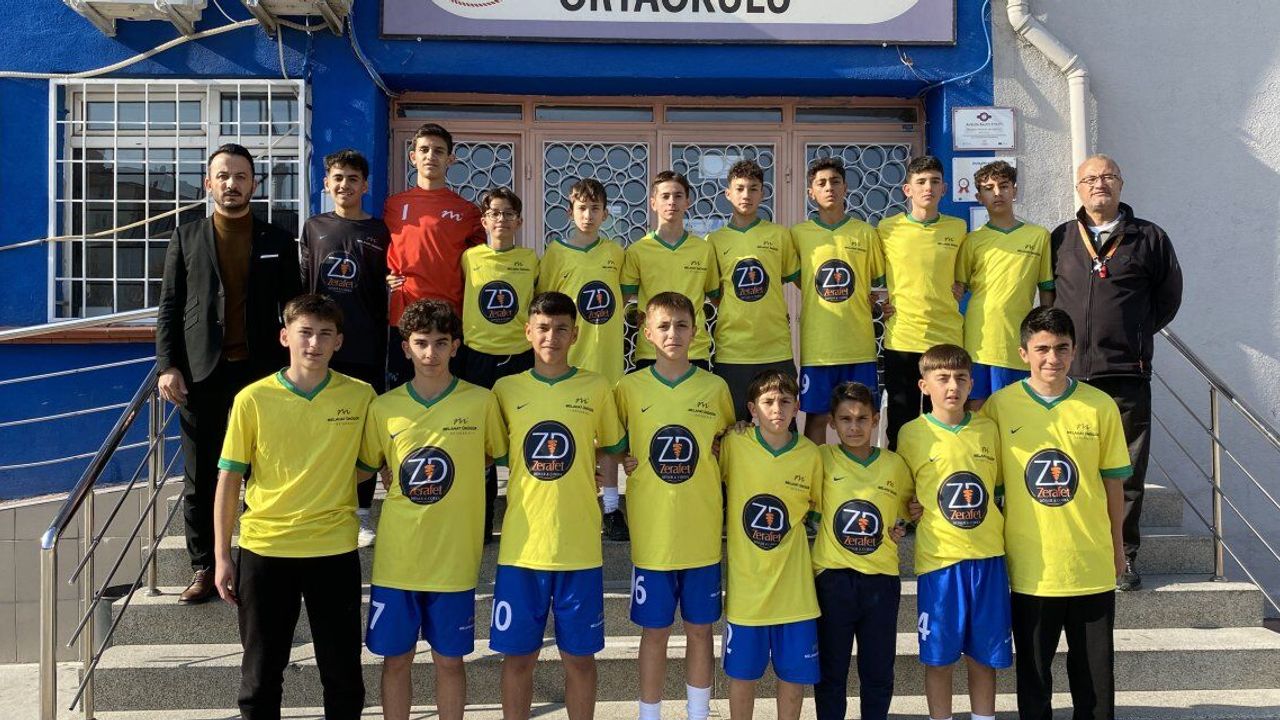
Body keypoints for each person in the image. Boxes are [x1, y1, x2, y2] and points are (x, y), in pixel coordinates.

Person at [211, 294, 375, 720]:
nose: (314, 343)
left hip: (333, 548)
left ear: (339, 341)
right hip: (266, 549)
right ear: (285, 337)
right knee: (261, 676)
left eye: (324, 334)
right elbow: (229, 479)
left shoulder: (361, 396)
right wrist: (222, 556)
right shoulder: (252, 398)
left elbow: (368, 464)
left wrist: (327, 480)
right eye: (305, 333)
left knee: (343, 675)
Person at [155, 142, 302, 604]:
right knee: (201, 474)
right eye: (223, 176)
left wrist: (298, 365)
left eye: (240, 176)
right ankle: (204, 567)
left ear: (253, 184)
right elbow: (170, 306)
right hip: (202, 374)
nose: (231, 184)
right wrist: (167, 365)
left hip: (262, 375)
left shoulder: (278, 240)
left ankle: (261, 561)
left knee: (265, 470)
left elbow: (294, 308)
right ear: (209, 183)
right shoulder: (186, 237)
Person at [359, 299, 506, 720]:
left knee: (450, 661)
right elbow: (366, 466)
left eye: (441, 343)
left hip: (453, 558)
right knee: (396, 660)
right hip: (398, 558)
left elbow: (494, 454)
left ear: (456, 346)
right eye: (421, 343)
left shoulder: (480, 402)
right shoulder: (384, 407)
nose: (430, 353)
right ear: (405, 347)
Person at [982, 307, 1131, 720]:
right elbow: (983, 482)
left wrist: (1118, 547)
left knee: (1095, 682)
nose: (1053, 358)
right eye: (1042, 349)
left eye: (1062, 348)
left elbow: (1113, 484)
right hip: (1032, 568)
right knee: (1034, 680)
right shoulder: (999, 407)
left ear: (1074, 350)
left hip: (1089, 564)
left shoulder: (1099, 405)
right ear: (1023, 353)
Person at [489, 291, 627, 720]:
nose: (552, 337)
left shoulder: (596, 387)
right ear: (528, 332)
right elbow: (493, 452)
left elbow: (612, 446)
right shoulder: (505, 390)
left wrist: (597, 474)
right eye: (543, 328)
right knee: (518, 659)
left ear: (575, 334)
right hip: (522, 549)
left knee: (580, 661)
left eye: (561, 329)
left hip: (578, 547)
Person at [1050, 153, 1182, 591]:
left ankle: (1123, 557)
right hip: (1069, 378)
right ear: (1078, 188)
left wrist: (1132, 333)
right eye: (1090, 178)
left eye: (1108, 176)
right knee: (1069, 469)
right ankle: (1074, 551)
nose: (1099, 184)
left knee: (1125, 472)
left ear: (1121, 184)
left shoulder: (1149, 238)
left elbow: (1167, 299)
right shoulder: (1061, 238)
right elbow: (1049, 298)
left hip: (1126, 373)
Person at [615, 292, 735, 720]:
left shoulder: (714, 388)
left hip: (701, 531)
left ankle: (698, 713)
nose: (673, 334)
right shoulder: (628, 388)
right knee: (655, 632)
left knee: (701, 631)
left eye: (681, 325)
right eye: (663, 326)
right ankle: (649, 714)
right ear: (646, 333)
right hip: (654, 534)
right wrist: (623, 463)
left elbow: (726, 444)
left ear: (695, 331)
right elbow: (611, 443)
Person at [896, 344, 1010, 720]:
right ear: (923, 385)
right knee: (939, 658)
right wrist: (909, 511)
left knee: (984, 656)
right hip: (939, 563)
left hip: (987, 558)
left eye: (961, 378)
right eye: (942, 378)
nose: (952, 386)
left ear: (971, 384)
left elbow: (999, 487)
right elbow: (903, 495)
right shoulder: (911, 434)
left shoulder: (989, 429)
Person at [720, 370, 823, 720]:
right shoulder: (734, 445)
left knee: (793, 681)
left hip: (795, 594)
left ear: (797, 407)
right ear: (752, 409)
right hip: (747, 592)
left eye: (784, 401)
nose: (776, 409)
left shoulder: (811, 454)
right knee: (742, 678)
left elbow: (818, 510)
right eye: (767, 402)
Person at [300, 148, 390, 545]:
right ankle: (318, 505)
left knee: (362, 433)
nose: (345, 185)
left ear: (365, 185)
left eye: (353, 178)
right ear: (326, 183)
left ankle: (362, 513)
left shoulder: (381, 232)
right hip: (320, 348)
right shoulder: (314, 227)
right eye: (338, 177)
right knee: (319, 430)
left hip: (366, 345)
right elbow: (303, 287)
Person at [810, 381, 912, 720]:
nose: (854, 427)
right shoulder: (820, 459)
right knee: (831, 672)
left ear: (875, 420)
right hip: (833, 580)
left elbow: (908, 509)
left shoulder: (895, 465)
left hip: (881, 581)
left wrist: (902, 524)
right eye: (845, 419)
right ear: (832, 423)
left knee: (878, 672)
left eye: (861, 418)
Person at [537, 177, 629, 540]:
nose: (588, 215)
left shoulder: (616, 253)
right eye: (581, 208)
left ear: (605, 214)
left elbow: (626, 298)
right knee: (571, 434)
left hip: (607, 358)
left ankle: (611, 507)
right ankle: (573, 503)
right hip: (569, 360)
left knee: (608, 437)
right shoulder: (556, 253)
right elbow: (544, 307)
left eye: (595, 209)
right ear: (569, 212)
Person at [458, 187, 538, 543]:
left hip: (519, 356)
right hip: (477, 357)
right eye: (494, 213)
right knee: (481, 441)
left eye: (508, 213)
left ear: (518, 221)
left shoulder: (531, 260)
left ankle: (524, 513)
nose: (501, 219)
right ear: (484, 220)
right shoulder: (469, 258)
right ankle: (483, 515)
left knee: (520, 436)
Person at [791, 158, 885, 445]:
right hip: (819, 348)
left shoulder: (865, 232)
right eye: (821, 183)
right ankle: (815, 474)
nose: (829, 188)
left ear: (845, 187)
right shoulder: (798, 235)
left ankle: (856, 473)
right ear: (811, 192)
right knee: (817, 418)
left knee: (860, 417)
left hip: (858, 347)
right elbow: (801, 280)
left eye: (835, 182)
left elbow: (878, 283)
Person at [383, 123, 486, 387]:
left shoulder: (467, 211)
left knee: (450, 395)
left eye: (439, 151)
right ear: (412, 156)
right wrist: (385, 277)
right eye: (424, 150)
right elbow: (379, 251)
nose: (431, 156)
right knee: (403, 395)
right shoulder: (393, 205)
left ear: (450, 159)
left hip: (450, 317)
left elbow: (483, 265)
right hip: (404, 316)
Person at [877, 156, 967, 449]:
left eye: (935, 181)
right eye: (921, 182)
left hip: (945, 337)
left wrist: (962, 286)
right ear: (908, 189)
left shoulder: (958, 229)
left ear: (944, 188)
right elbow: (869, 274)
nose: (928, 187)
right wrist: (877, 305)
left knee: (943, 418)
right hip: (902, 337)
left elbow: (966, 274)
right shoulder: (886, 229)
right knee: (901, 422)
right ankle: (901, 476)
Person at [956, 160, 1054, 410]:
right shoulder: (972, 240)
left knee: (1016, 411)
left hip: (1018, 340)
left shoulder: (1039, 236)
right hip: (978, 341)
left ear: (1015, 191)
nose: (997, 193)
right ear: (979, 197)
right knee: (978, 410)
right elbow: (956, 290)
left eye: (1004, 185)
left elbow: (1046, 289)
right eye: (989, 188)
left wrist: (1046, 333)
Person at [708, 159, 800, 420]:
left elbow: (800, 280)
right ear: (728, 193)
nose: (746, 195)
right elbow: (715, 294)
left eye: (753, 188)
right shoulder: (714, 241)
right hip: (732, 351)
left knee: (783, 426)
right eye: (739, 188)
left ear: (763, 193)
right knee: (733, 428)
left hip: (775, 348)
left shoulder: (779, 235)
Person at [621, 171, 719, 371]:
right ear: (653, 203)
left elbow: (718, 298)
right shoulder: (637, 250)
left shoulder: (704, 249)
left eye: (678, 196)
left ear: (687, 202)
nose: (671, 202)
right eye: (665, 196)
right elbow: (621, 301)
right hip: (651, 350)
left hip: (695, 349)